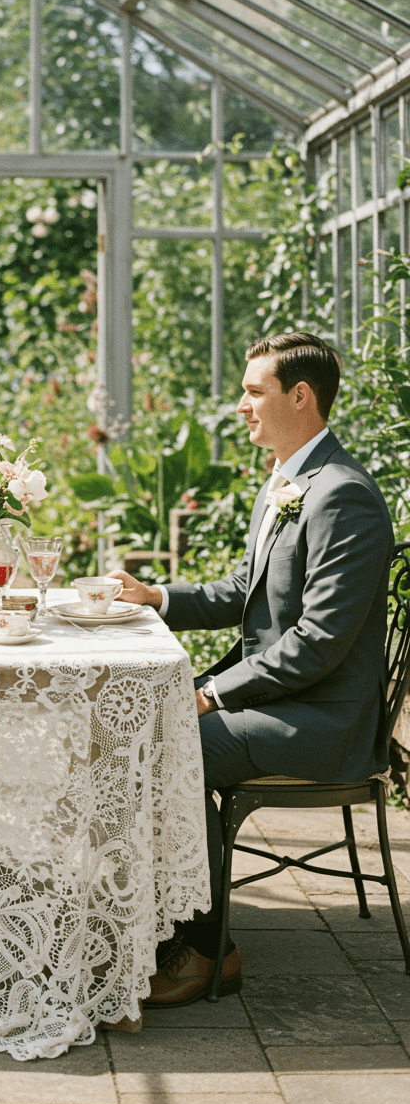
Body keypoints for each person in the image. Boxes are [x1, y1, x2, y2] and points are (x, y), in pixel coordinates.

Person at [113, 332, 393, 1008]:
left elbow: (317, 644)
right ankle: (155, 920)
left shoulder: (342, 497)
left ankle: (208, 949)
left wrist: (212, 693)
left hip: (323, 720)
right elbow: (246, 588)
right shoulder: (287, 480)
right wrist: (157, 597)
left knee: (167, 743)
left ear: (302, 396)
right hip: (285, 701)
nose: (240, 405)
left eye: (253, 391)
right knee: (147, 736)